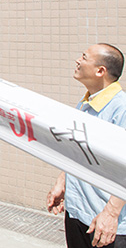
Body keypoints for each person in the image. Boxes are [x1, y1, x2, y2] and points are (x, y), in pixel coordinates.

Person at [47, 44, 126, 248]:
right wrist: (62, 181)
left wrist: (111, 213)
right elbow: (79, 151)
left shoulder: (121, 109)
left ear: (100, 71)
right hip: (78, 213)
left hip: (107, 223)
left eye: (84, 57)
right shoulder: (85, 104)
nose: (78, 61)